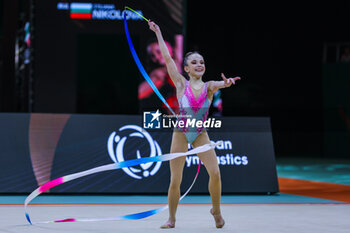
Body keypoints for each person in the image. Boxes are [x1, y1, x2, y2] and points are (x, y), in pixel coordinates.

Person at [148, 20, 241, 229]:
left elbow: (219, 84)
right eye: (195, 62)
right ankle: (171, 218)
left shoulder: (209, 87)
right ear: (187, 68)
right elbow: (167, 58)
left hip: (200, 134)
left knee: (215, 173)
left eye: (202, 62)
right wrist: (159, 33)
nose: (200, 64)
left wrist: (226, 83)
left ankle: (216, 210)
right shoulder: (181, 84)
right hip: (180, 133)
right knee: (175, 179)